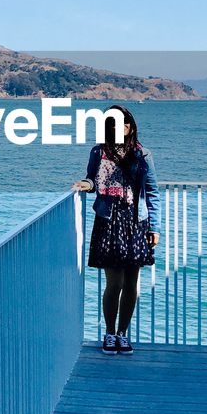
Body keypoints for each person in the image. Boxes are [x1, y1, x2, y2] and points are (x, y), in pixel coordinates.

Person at [72, 106, 160, 354]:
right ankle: (109, 333)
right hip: (108, 220)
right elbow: (92, 179)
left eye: (122, 123)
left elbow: (152, 192)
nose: (117, 127)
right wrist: (85, 184)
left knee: (132, 282)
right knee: (114, 282)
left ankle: (123, 334)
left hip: (136, 221)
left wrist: (155, 227)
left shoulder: (143, 154)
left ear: (130, 126)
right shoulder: (98, 152)